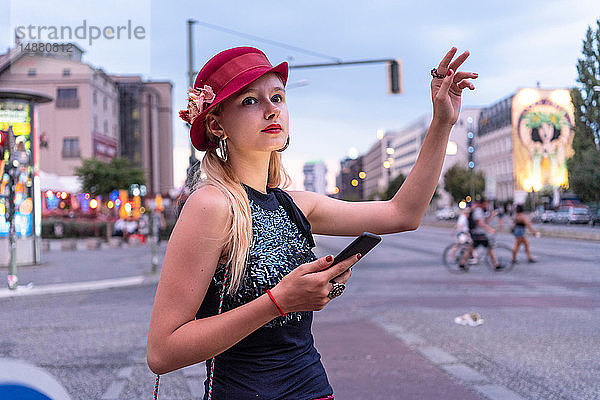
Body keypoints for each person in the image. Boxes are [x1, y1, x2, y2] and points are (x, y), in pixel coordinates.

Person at [146, 46, 477, 399]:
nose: (272, 109)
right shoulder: (211, 205)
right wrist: (280, 301)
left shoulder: (295, 204)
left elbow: (403, 214)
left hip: (314, 390)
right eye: (249, 101)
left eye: (277, 97)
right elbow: (163, 352)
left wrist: (442, 121)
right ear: (215, 123)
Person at [460, 197, 503, 270]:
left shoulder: (480, 211)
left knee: (472, 248)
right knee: (488, 247)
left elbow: (484, 222)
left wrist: (491, 216)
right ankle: (496, 265)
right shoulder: (478, 211)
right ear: (482, 203)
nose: (486, 205)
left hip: (478, 233)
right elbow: (480, 223)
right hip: (478, 234)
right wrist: (490, 229)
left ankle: (462, 263)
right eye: (486, 203)